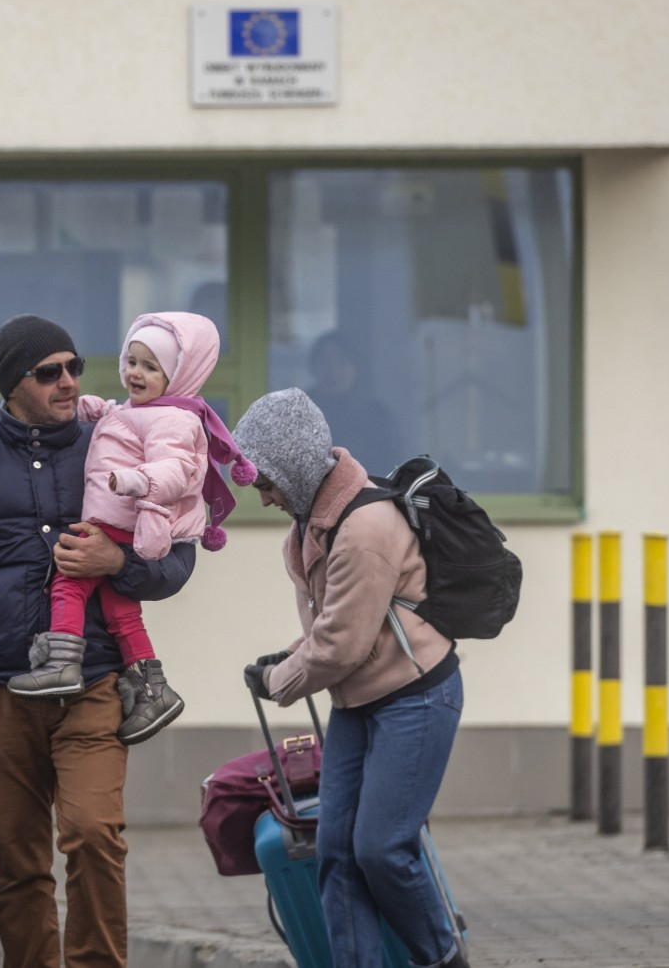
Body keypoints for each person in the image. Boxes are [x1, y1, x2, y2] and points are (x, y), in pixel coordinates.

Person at [0, 315, 196, 968]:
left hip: (94, 680)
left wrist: (117, 563)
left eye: (74, 366)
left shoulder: (112, 440)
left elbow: (176, 554)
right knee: (15, 857)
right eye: (48, 371)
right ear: (10, 382)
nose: (69, 381)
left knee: (92, 833)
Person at [234, 389, 465, 968]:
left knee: (382, 849)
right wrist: (283, 658)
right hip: (359, 703)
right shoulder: (312, 525)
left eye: (266, 483)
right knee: (335, 853)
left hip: (415, 698)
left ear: (294, 465)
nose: (262, 498)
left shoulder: (364, 529)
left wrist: (279, 681)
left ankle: (442, 956)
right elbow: (334, 625)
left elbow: (341, 644)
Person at [7, 312, 256, 745]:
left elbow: (177, 468)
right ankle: (151, 688)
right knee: (119, 609)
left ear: (178, 375)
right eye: (132, 361)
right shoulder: (147, 411)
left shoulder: (174, 419)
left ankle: (62, 662)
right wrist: (96, 409)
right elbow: (122, 423)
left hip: (122, 520)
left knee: (69, 581)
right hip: (119, 520)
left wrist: (139, 480)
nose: (135, 373)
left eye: (150, 367)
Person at [305, 331, 401, 470]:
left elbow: (389, 462)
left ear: (356, 367)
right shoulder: (301, 411)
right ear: (314, 367)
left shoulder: (375, 414)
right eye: (325, 362)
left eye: (341, 362)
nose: (333, 369)